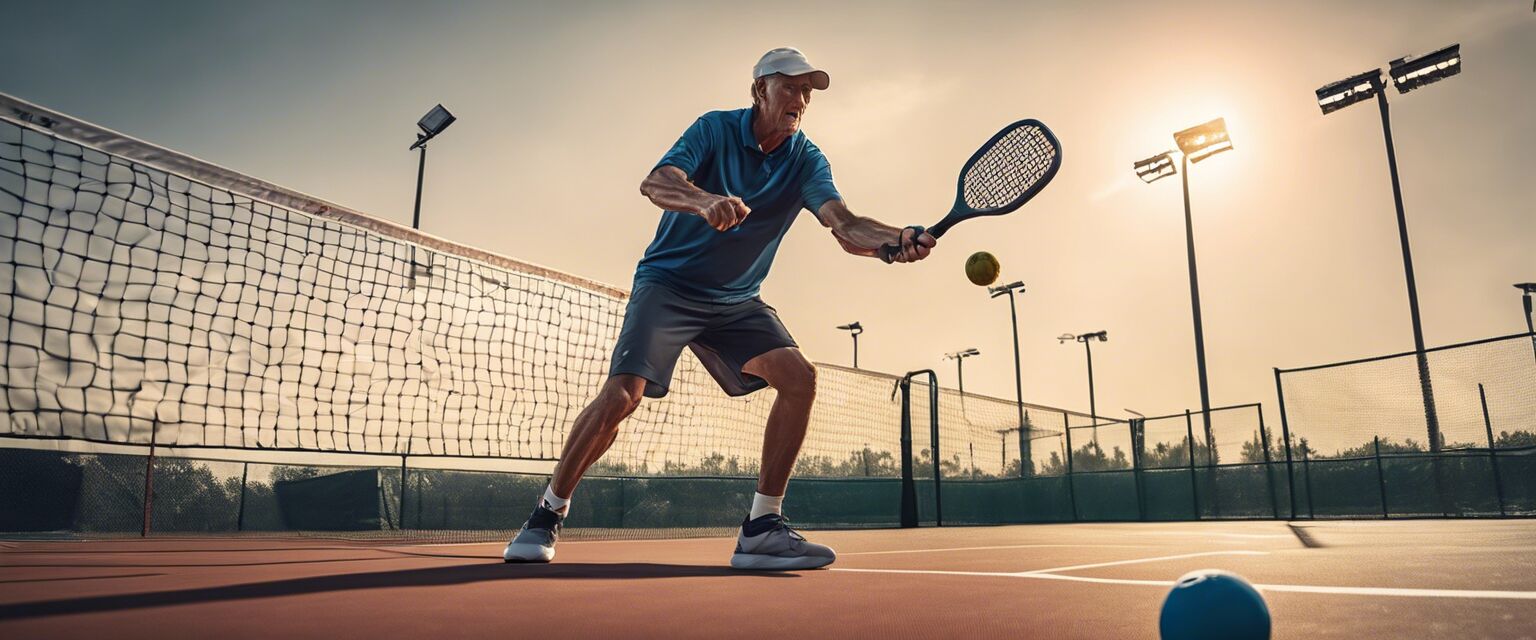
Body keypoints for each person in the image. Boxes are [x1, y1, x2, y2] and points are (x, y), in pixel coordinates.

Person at [504, 47, 936, 570]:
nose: (800, 98)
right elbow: (656, 182)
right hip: (669, 285)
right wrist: (705, 200)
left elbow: (843, 225)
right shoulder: (713, 129)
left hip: (736, 301)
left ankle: (761, 528)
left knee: (799, 377)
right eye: (791, 86)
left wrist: (898, 236)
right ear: (760, 91)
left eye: (808, 91)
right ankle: (547, 513)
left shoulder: (806, 159)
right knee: (622, 396)